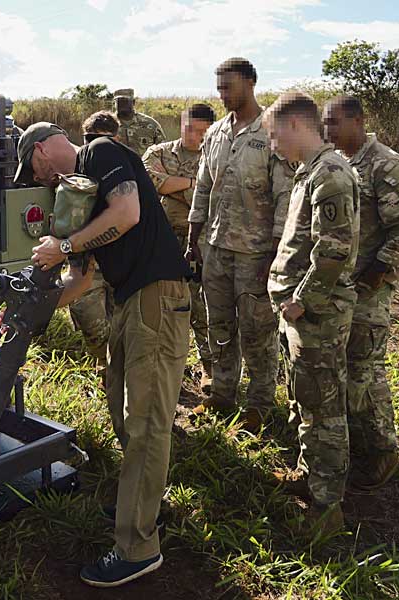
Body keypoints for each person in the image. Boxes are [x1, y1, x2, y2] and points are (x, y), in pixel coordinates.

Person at [14, 121, 192, 587]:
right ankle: (144, 502)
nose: (40, 180)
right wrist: (27, 313)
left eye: (34, 169)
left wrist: (65, 245)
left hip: (154, 295)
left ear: (42, 150)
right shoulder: (80, 195)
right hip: (127, 302)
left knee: (146, 421)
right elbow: (82, 279)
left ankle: (137, 547)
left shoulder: (98, 152)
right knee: (120, 409)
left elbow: (129, 212)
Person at [265, 92, 359, 533]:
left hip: (317, 315)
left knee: (324, 409)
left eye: (273, 134)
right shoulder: (309, 172)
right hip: (302, 316)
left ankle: (327, 509)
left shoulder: (332, 175)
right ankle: (310, 477)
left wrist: (302, 301)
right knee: (307, 401)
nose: (271, 144)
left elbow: (334, 249)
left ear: (296, 126)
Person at [187, 58, 295, 432]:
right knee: (219, 325)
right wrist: (193, 238)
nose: (222, 94)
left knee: (256, 332)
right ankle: (222, 393)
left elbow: (285, 196)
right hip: (216, 246)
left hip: (257, 254)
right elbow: (203, 187)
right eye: (218, 88)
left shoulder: (271, 134)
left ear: (250, 83)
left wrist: (276, 252)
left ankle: (260, 404)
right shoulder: (216, 132)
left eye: (228, 86)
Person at [323, 96, 399, 490]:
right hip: (341, 286)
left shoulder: (386, 163)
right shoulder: (336, 162)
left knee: (366, 365)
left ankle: (384, 449)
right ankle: (356, 442)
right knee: (343, 365)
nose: (327, 130)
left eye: (333, 123)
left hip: (368, 287)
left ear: (358, 121)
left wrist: (377, 275)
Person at [143, 103, 216, 391]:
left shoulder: (215, 157)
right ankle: (164, 369)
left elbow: (212, 197)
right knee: (162, 306)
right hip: (162, 242)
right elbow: (151, 181)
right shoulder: (158, 152)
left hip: (198, 242)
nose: (195, 136)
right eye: (190, 128)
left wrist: (172, 186)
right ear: (180, 124)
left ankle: (209, 367)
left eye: (202, 131)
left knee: (201, 306)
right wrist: (194, 185)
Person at [66, 110, 119, 369]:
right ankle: (105, 367)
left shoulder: (124, 169)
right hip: (86, 262)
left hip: (118, 261)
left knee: (122, 324)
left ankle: (117, 375)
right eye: (91, 140)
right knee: (92, 322)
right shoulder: (74, 167)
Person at [113, 88, 166, 156]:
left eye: (125, 101)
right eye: (119, 101)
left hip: (144, 166)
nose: (122, 104)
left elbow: (163, 150)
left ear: (133, 102)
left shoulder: (150, 124)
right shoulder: (108, 124)